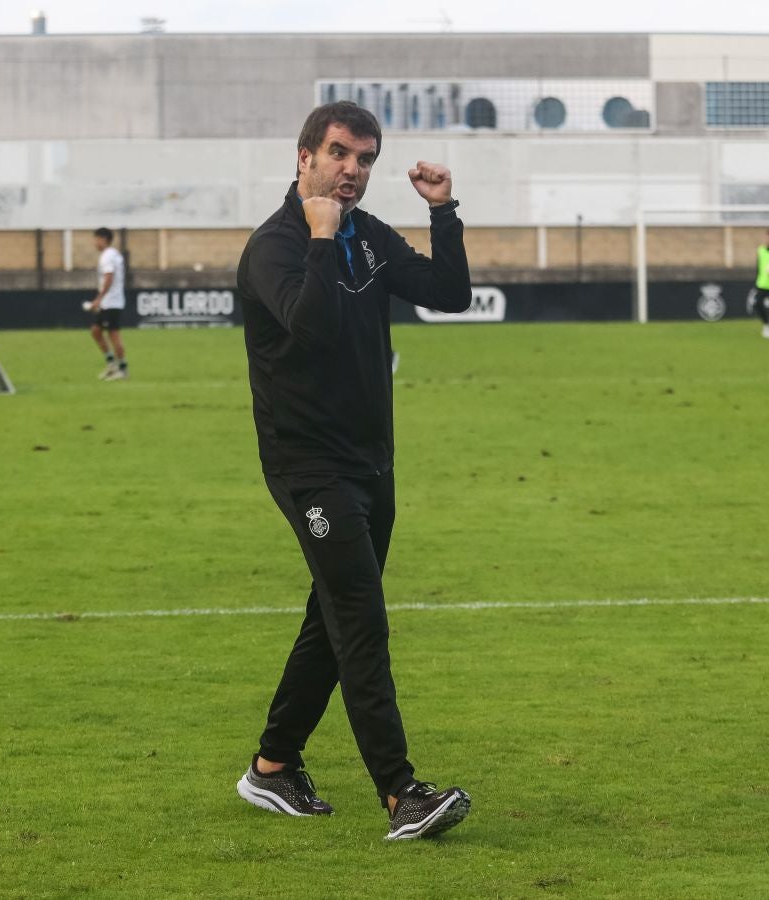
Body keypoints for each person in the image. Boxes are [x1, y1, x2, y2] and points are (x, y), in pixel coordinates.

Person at [235, 101, 473, 841]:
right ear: (303, 155)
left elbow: (449, 293)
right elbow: (310, 332)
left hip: (372, 462)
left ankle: (272, 768)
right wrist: (318, 240)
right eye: (339, 154)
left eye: (365, 159)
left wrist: (443, 213)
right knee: (360, 618)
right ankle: (402, 794)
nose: (353, 171)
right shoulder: (274, 248)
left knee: (332, 616)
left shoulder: (366, 236)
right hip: (309, 466)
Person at [87, 227, 128, 380]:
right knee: (96, 331)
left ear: (103, 239)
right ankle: (112, 364)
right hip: (111, 302)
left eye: (96, 239)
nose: (94, 243)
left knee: (113, 335)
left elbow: (109, 278)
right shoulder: (114, 254)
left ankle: (122, 369)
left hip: (111, 302)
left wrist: (98, 299)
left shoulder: (107, 256)